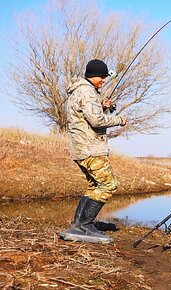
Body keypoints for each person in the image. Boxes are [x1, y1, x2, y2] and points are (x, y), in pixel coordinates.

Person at [60, 59, 127, 243]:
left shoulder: (79, 91)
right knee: (108, 185)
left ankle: (79, 225)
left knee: (94, 185)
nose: (104, 80)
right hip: (91, 149)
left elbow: (87, 115)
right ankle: (84, 226)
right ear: (93, 75)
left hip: (81, 148)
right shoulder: (87, 92)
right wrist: (118, 120)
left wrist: (103, 107)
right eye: (102, 77)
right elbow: (97, 121)